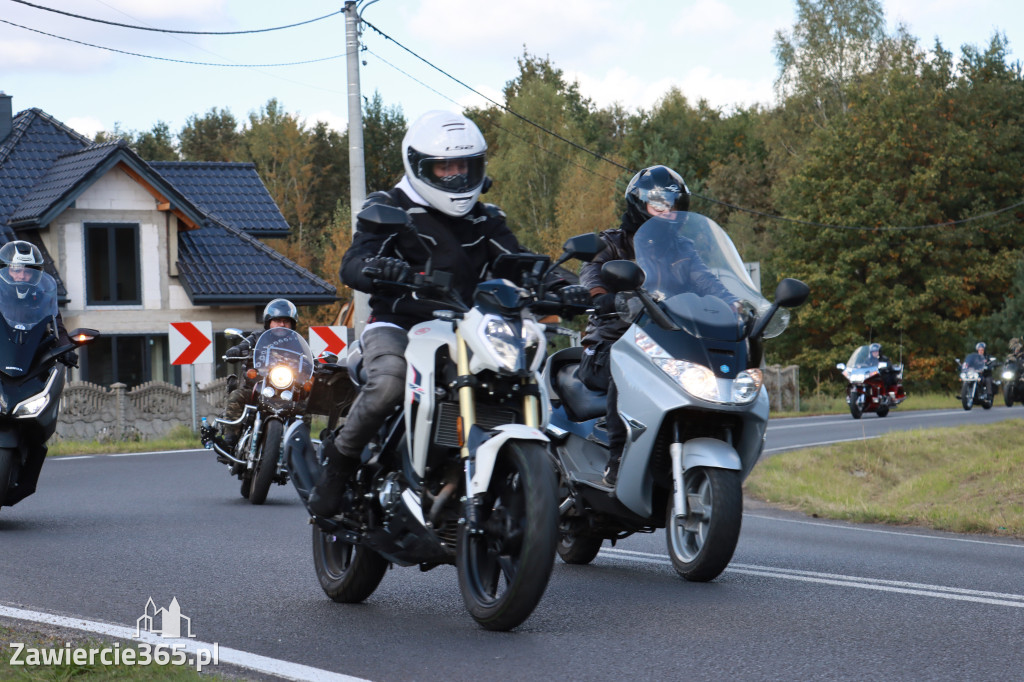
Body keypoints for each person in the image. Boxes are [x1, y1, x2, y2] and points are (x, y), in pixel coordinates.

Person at [307, 110, 589, 517]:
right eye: (445, 166)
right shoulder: (390, 207)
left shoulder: (485, 218)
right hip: (401, 323)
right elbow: (354, 262)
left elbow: (519, 260)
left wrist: (564, 286)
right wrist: (377, 268)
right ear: (420, 165)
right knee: (388, 382)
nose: (456, 175)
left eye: (465, 165)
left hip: (470, 326)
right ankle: (339, 465)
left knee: (522, 376)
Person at [578, 165, 737, 486]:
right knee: (624, 365)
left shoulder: (682, 249)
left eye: (673, 205)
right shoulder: (610, 245)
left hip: (665, 345)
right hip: (611, 343)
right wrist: (602, 298)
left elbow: (706, 281)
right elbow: (592, 281)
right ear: (639, 204)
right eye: (658, 204)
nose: (667, 211)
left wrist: (735, 304)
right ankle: (618, 457)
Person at [208, 298, 299, 453]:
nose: (282, 324)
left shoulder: (296, 342)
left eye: (286, 321)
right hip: (257, 388)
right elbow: (244, 345)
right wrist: (236, 350)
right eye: (277, 320)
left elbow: (310, 359)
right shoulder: (257, 337)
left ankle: (300, 448)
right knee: (237, 396)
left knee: (305, 408)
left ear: (292, 324)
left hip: (286, 392)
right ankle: (230, 441)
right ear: (269, 322)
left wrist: (320, 364)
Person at [0, 240, 76, 367]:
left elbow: (58, 327)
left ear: (36, 274)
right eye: (17, 270)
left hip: (34, 361)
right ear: (6, 271)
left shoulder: (43, 299)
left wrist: (67, 348)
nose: (22, 276)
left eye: (28, 271)